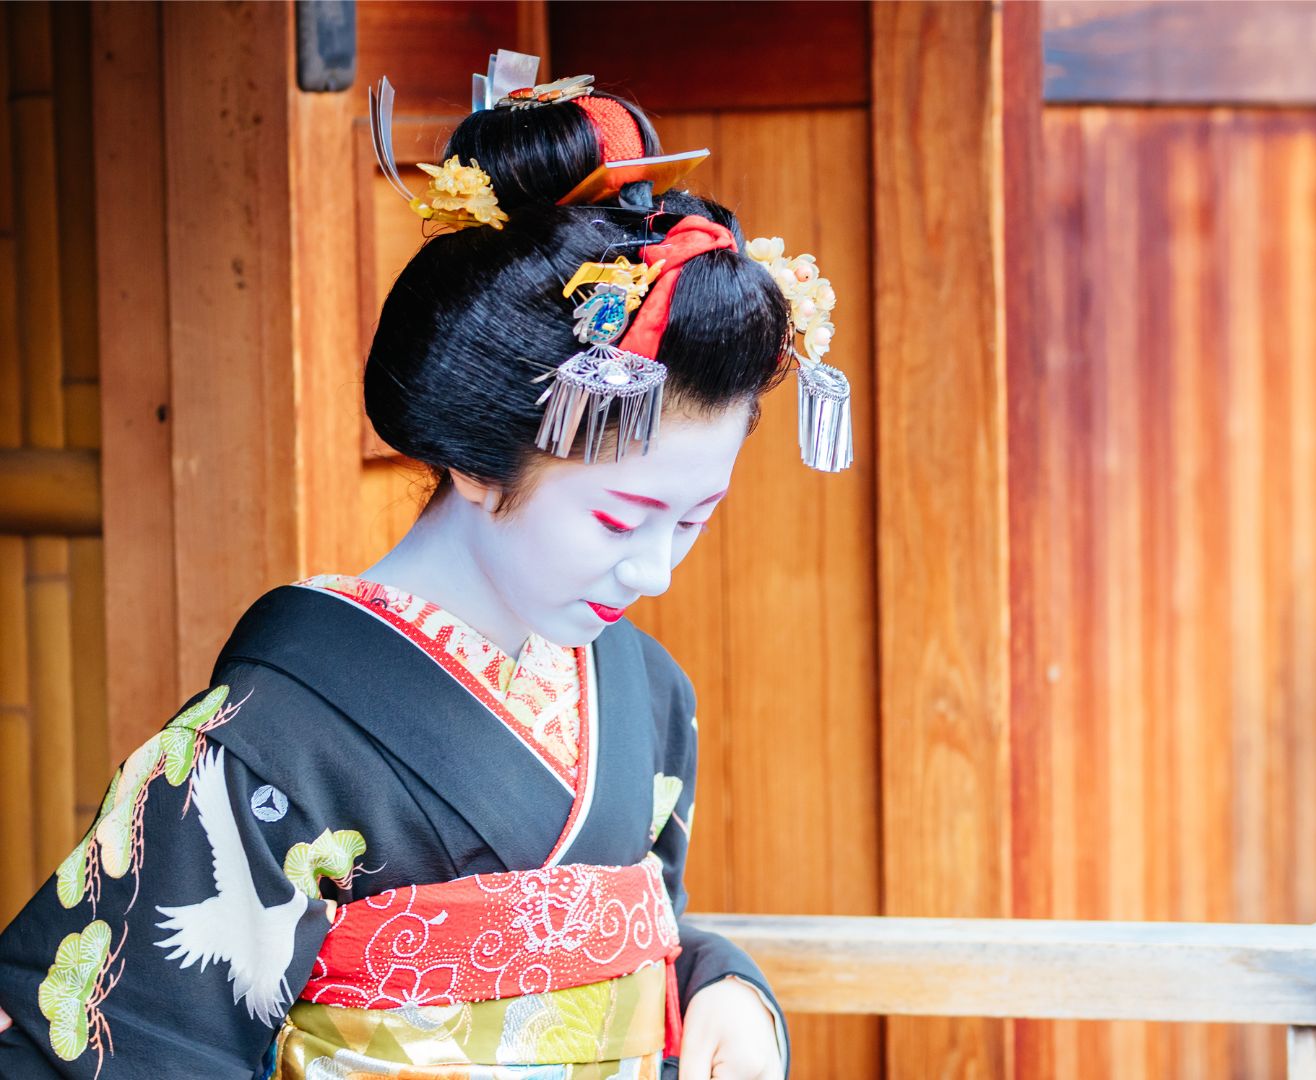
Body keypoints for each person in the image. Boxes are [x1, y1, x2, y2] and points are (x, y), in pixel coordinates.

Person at [0, 50, 849, 1079]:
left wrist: (721, 984)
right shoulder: (268, 742)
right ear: (478, 465)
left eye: (694, 521)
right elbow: (123, 1044)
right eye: (625, 517)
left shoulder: (648, 696)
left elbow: (642, 936)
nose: (655, 571)